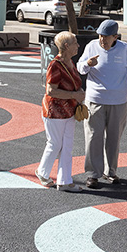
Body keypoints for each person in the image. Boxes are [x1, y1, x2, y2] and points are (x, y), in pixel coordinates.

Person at [78, 19, 127, 188]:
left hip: (118, 101)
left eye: (107, 37)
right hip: (95, 99)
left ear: (115, 37)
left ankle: (111, 171)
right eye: (100, 36)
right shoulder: (91, 46)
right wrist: (87, 64)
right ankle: (93, 174)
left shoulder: (124, 49)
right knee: (93, 137)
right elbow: (79, 67)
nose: (103, 40)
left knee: (114, 138)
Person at [36, 31, 85, 192]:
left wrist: (78, 94)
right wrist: (74, 95)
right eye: (75, 43)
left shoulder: (71, 62)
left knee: (67, 145)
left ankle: (64, 181)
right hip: (55, 111)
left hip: (69, 110)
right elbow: (51, 90)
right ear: (66, 46)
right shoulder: (55, 65)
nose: (78, 45)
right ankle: (42, 172)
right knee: (55, 143)